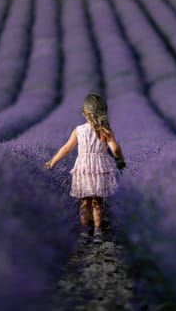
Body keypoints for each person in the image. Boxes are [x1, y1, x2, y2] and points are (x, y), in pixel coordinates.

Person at [44, 93, 125, 244]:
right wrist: (120, 159)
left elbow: (67, 148)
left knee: (84, 202)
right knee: (97, 202)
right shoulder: (105, 130)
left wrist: (53, 161)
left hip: (83, 169)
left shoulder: (79, 130)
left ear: (84, 113)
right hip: (100, 168)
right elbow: (114, 148)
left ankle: (84, 232)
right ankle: (98, 232)